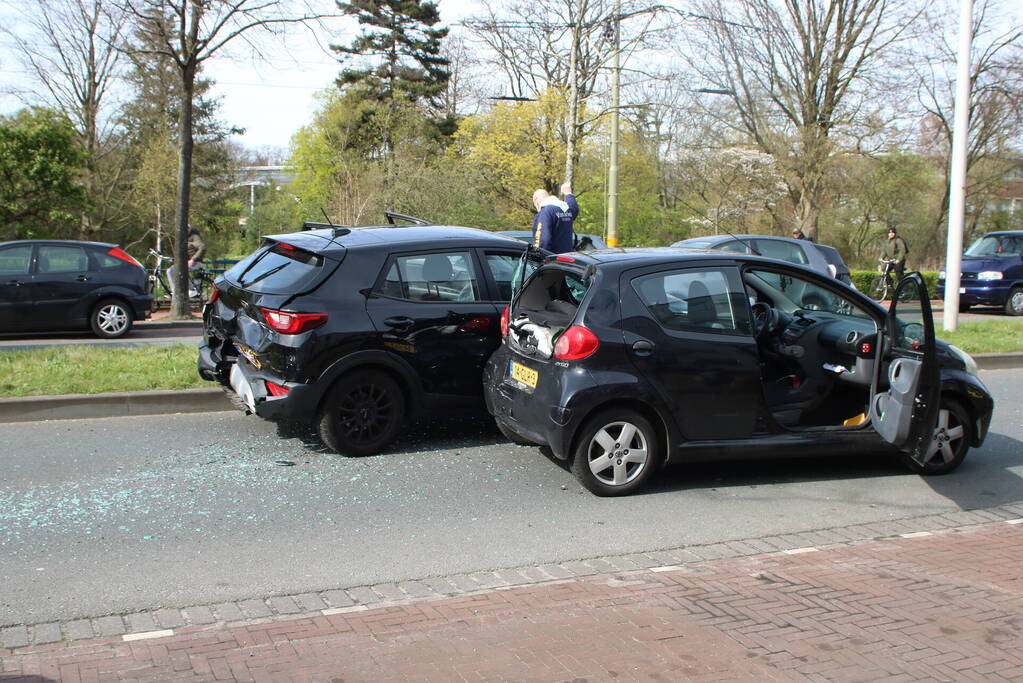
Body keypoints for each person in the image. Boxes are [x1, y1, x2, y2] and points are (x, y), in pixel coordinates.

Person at [531, 182, 579, 254]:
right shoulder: (566, 210)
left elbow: (543, 241)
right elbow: (574, 208)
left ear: (537, 202)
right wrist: (568, 193)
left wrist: (537, 255)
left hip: (553, 261)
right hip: (567, 259)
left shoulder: (545, 212)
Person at [167, 225, 207, 297]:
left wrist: (194, 259)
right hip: (185, 262)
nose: (185, 230)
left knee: (182, 269)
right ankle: (175, 291)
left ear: (190, 228)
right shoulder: (184, 238)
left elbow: (202, 247)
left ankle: (191, 290)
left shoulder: (195, 237)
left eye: (187, 228)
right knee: (170, 270)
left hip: (196, 262)